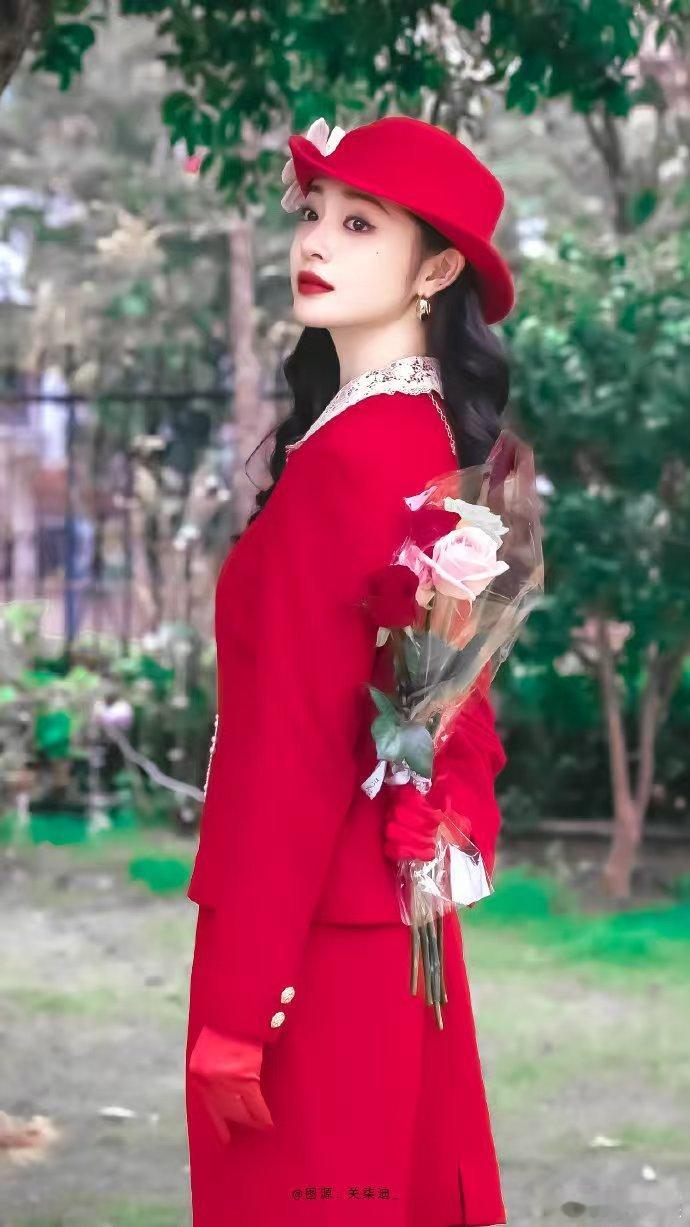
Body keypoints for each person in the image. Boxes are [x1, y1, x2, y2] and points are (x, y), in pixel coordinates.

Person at [184, 114, 514, 1226]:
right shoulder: (417, 440)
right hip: (384, 924)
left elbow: (298, 748)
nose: (316, 241)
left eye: (361, 223)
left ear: (437, 270)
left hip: (308, 945)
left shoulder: (355, 459)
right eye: (314, 213)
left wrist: (241, 1002)